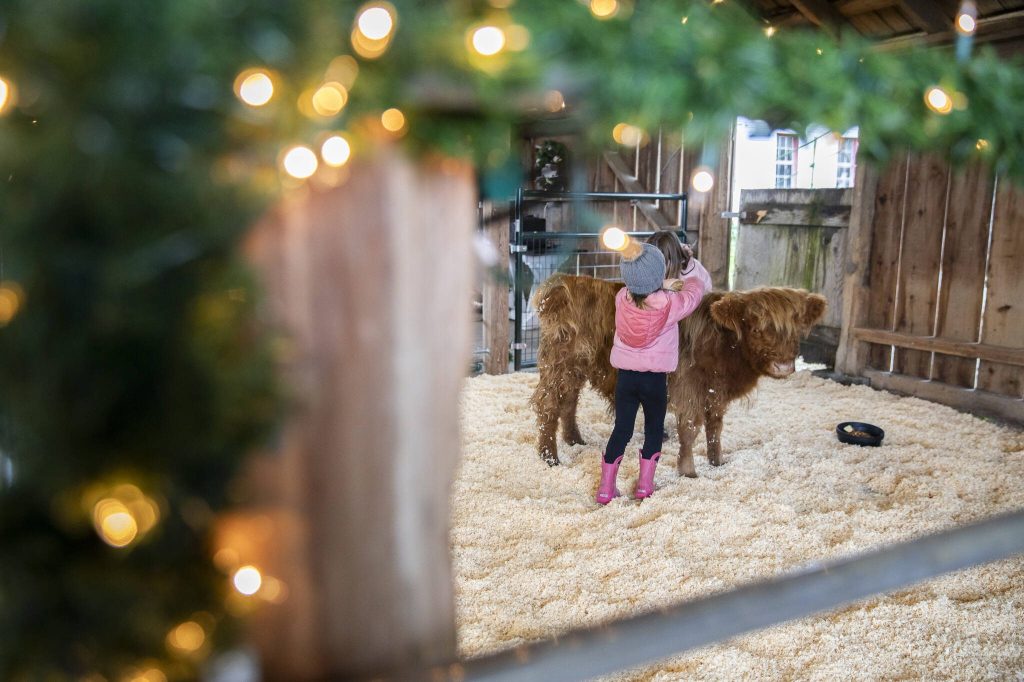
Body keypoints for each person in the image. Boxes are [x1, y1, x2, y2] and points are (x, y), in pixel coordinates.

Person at [596, 240, 711, 504]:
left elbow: (639, 290)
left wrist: (660, 284)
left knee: (621, 430)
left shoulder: (621, 299)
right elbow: (694, 295)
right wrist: (688, 279)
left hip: (626, 378)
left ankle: (606, 488)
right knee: (653, 430)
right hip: (654, 380)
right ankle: (645, 486)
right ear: (660, 276)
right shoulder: (671, 305)